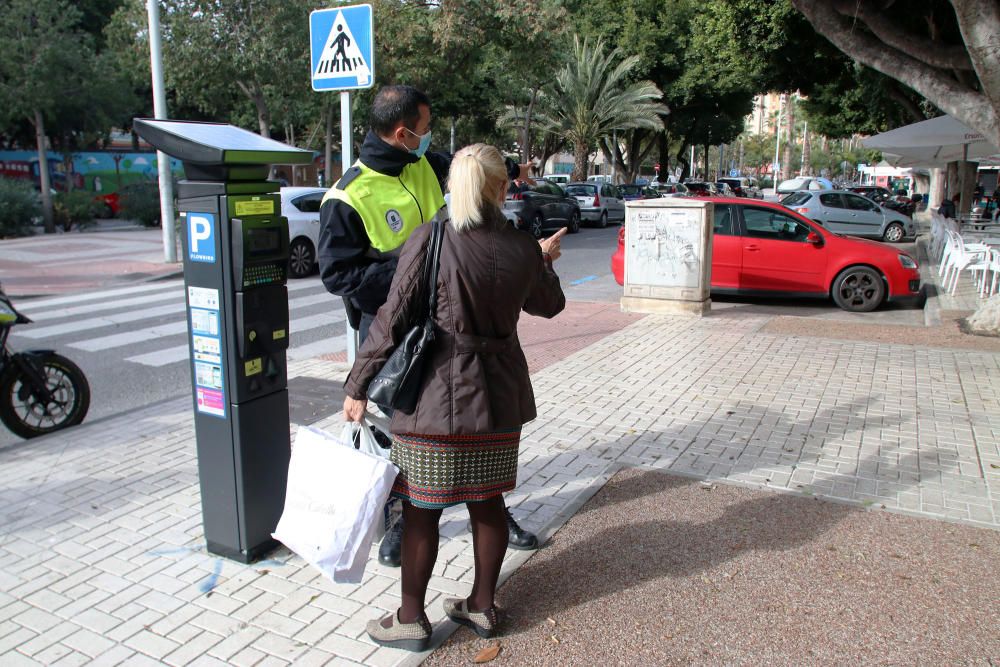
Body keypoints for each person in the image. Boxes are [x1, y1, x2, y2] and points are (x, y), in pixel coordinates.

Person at [342, 144, 566, 649]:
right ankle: (483, 608)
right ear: (502, 187)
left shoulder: (431, 238)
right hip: (498, 399)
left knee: (422, 511)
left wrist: (357, 384)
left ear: (452, 186)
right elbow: (550, 306)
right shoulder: (522, 246)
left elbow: (391, 319)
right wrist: (543, 261)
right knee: (489, 505)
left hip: (432, 402)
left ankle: (410, 620)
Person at [317, 85, 541, 568]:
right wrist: (411, 271)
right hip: (390, 332)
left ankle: (491, 509)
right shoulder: (347, 196)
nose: (429, 136)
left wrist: (515, 172)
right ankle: (403, 518)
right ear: (401, 133)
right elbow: (339, 276)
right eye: (423, 127)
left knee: (469, 428)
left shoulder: (423, 163)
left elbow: (473, 165)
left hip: (450, 323)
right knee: (405, 437)